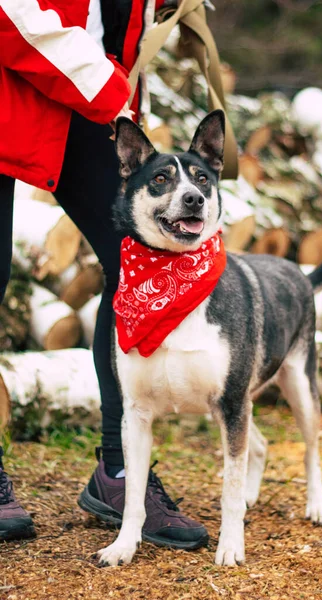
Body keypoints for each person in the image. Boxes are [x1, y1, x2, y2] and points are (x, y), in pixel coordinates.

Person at [0, 0, 208, 549]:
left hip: (84, 99)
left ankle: (120, 473)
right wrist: (107, 83)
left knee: (136, 266)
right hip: (26, 82)